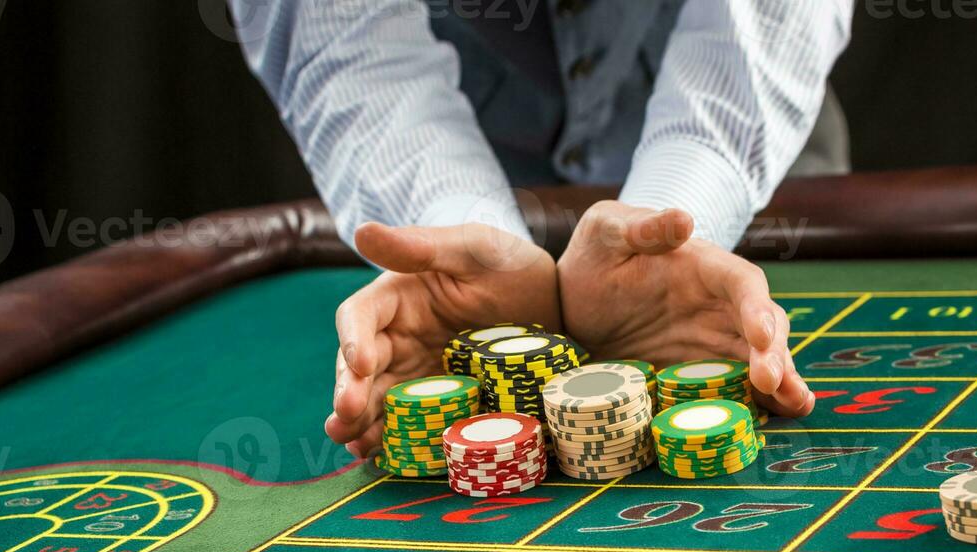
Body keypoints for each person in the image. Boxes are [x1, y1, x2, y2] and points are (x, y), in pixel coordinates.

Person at [229, 0, 853, 458]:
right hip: (468, 150)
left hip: (744, 154)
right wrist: (456, 237)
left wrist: (669, 221)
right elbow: (346, 52)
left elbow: (766, 21)